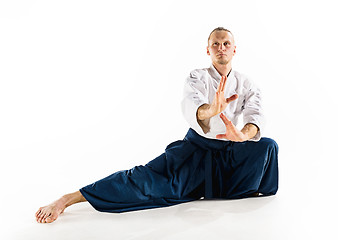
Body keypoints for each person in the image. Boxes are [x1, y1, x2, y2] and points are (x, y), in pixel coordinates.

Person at [35, 27, 279, 224]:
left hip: (228, 152)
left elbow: (255, 117)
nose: (221, 47)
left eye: (226, 43)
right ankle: (68, 199)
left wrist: (243, 135)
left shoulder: (247, 84)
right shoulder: (197, 77)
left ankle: (237, 189)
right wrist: (212, 110)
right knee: (141, 180)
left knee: (267, 146)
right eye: (215, 43)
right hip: (194, 152)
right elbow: (193, 107)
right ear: (208, 50)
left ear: (234, 49)